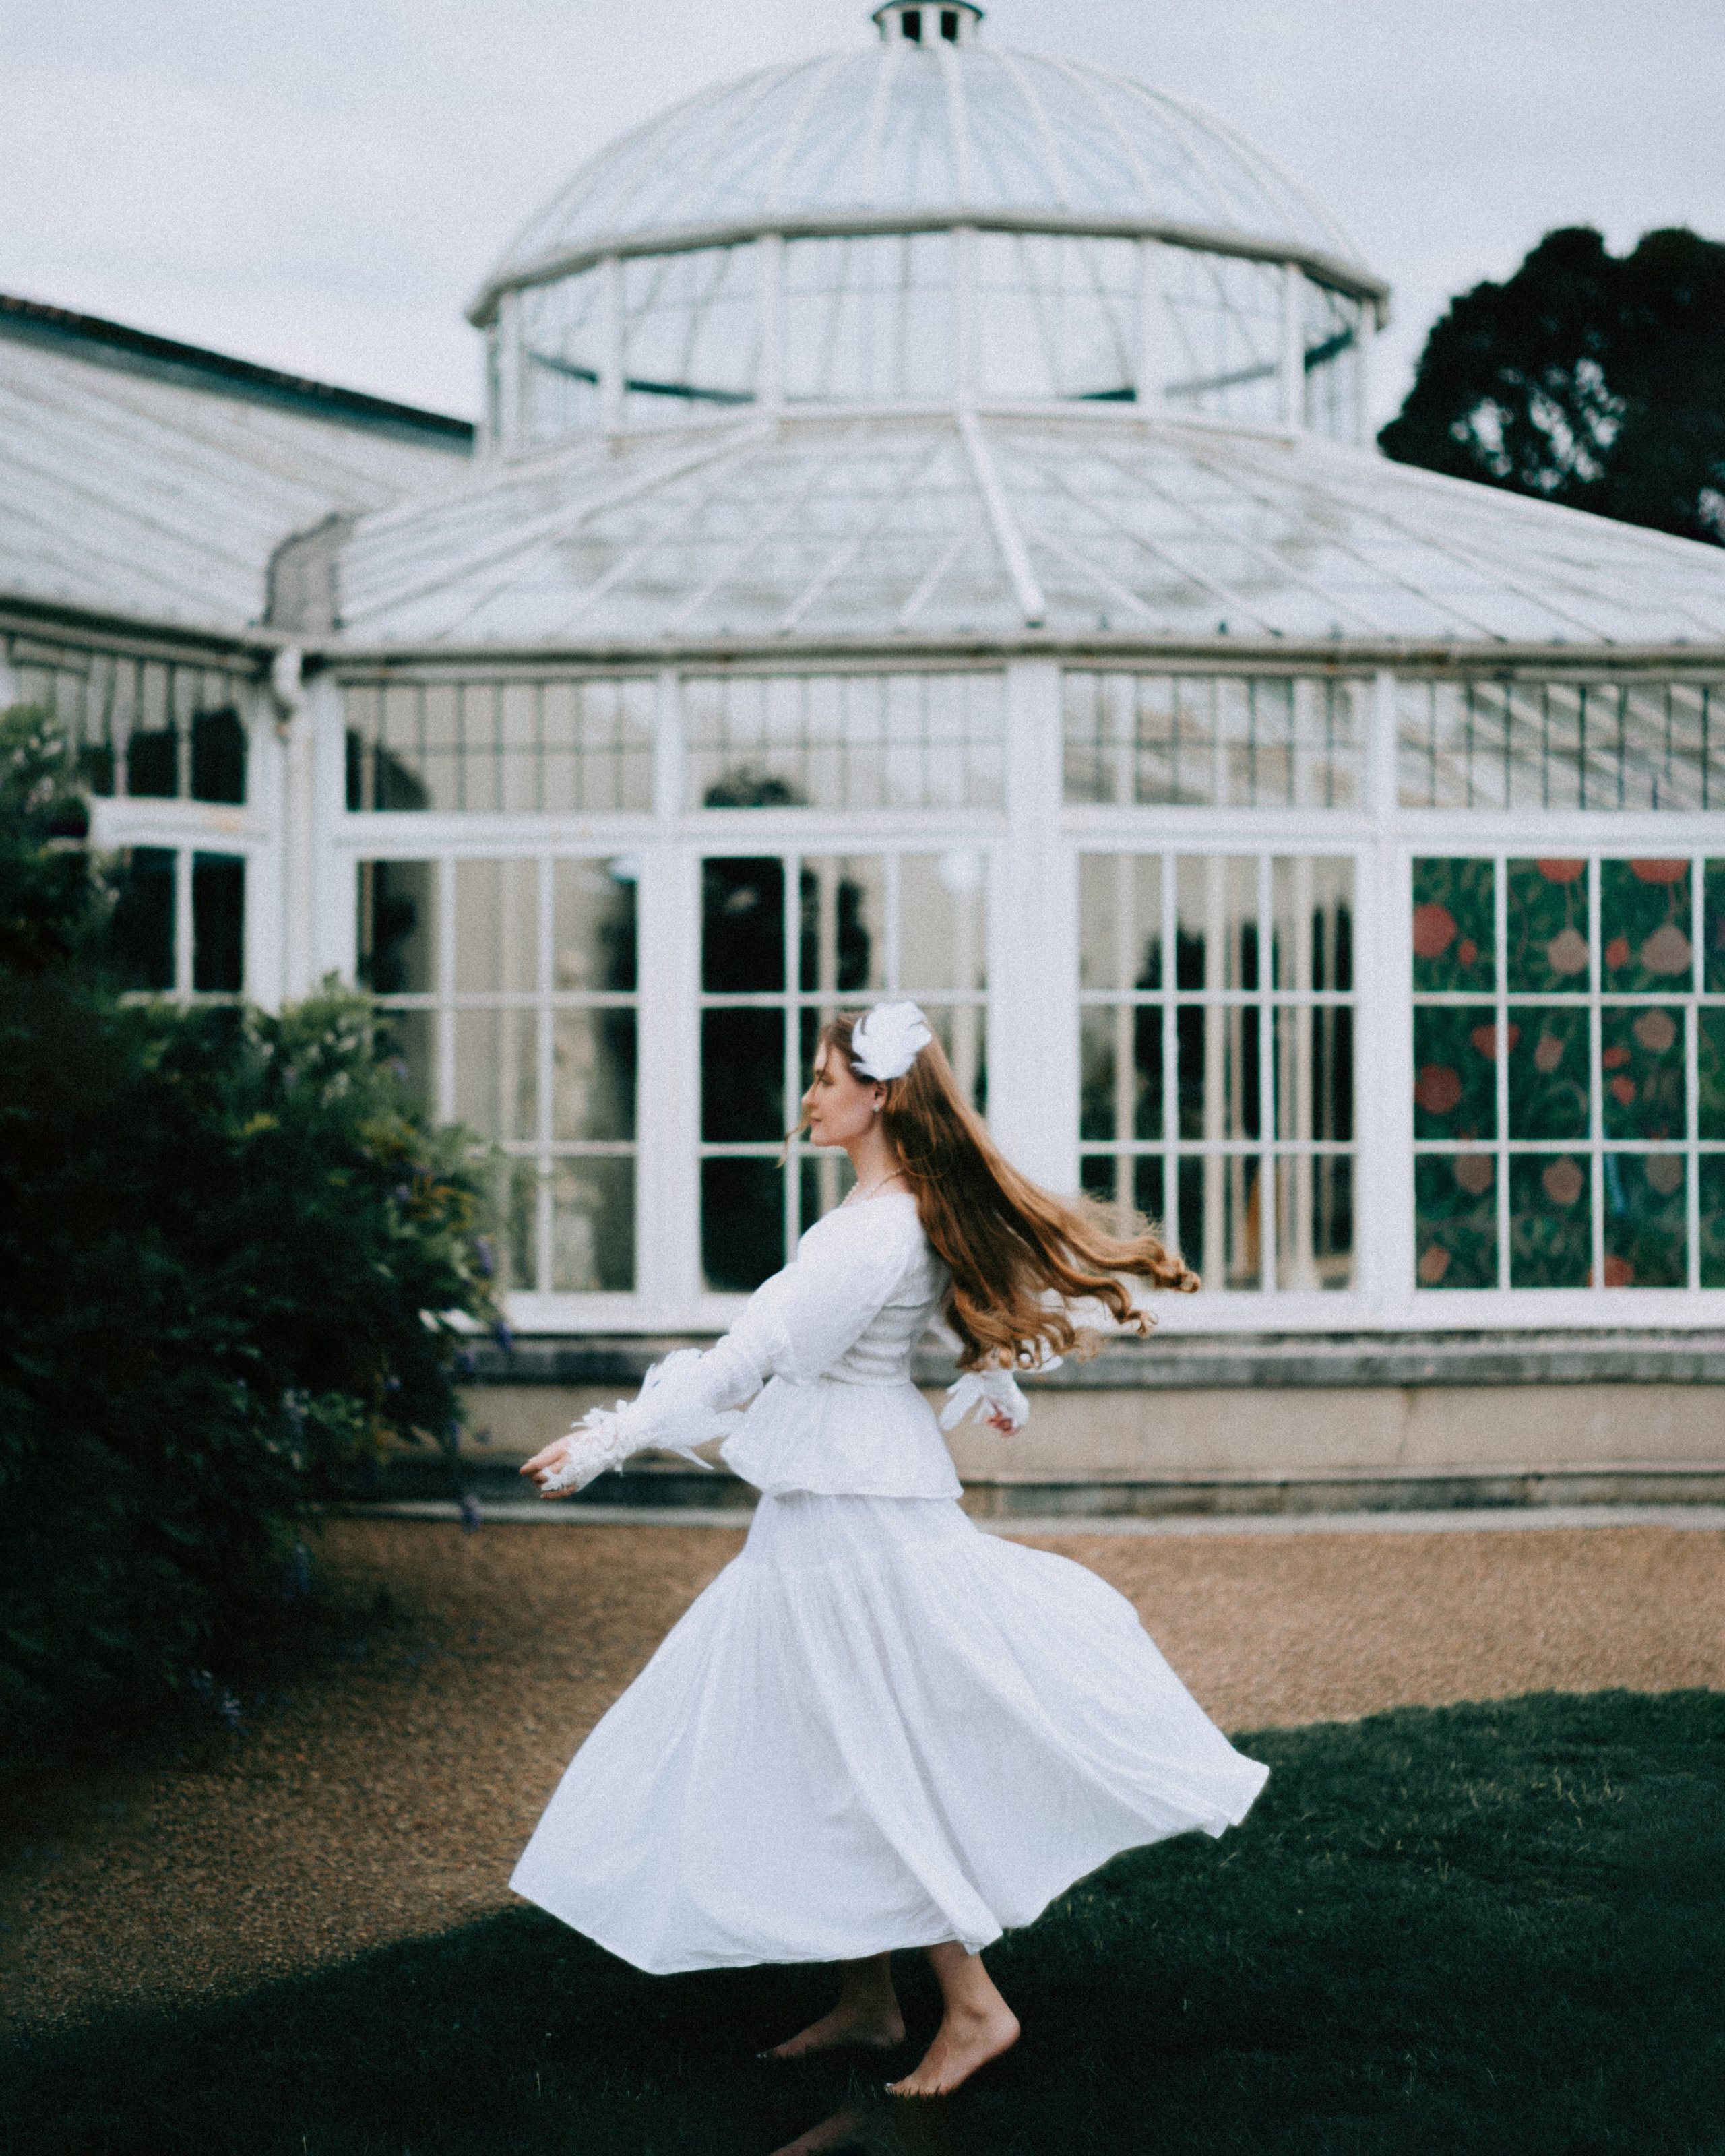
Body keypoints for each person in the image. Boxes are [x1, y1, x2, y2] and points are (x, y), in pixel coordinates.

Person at [514, 1000, 1268, 2105]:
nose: (808, 1097)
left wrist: (611, 1436)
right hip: (832, 1495)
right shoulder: (889, 1209)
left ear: (879, 1096)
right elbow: (903, 1316)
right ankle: (868, 2000)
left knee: (859, 1745)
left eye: (824, 1079)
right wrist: (991, 1368)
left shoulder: (876, 1226)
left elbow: (762, 1349)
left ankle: (972, 2006)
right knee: (810, 1734)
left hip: (850, 1511)